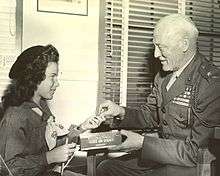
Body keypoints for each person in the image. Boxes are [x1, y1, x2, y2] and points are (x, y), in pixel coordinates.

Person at [96, 14, 220, 176]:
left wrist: (142, 144)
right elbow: (151, 115)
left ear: (184, 45)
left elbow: (195, 152)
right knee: (106, 168)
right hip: (162, 157)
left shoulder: (209, 83)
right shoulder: (163, 76)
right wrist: (121, 112)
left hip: (191, 165)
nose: (155, 54)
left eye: (162, 47)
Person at [0, 44, 105, 176]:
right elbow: (8, 169)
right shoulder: (15, 117)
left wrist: (81, 128)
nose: (57, 83)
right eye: (52, 77)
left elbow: (51, 143)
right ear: (34, 78)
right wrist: (49, 158)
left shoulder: (41, 105)